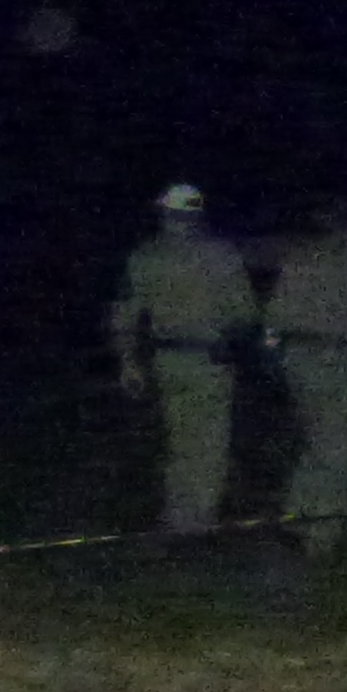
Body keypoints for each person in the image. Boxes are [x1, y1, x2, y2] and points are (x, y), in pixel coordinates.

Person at [108, 182, 258, 533]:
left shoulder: (143, 256)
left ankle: (178, 517)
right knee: (210, 441)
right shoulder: (221, 255)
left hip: (167, 359)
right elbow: (245, 312)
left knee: (179, 440)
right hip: (210, 358)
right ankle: (200, 520)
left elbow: (123, 314)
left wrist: (128, 363)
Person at [265, 198, 347, 555]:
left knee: (317, 439)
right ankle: (322, 534)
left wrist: (280, 359)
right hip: (340, 361)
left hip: (299, 360)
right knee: (338, 447)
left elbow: (273, 319)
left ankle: (298, 511)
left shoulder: (296, 262)